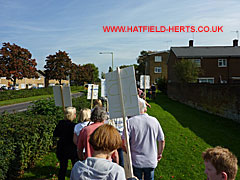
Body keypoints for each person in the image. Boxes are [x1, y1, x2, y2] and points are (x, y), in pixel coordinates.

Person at [122, 98, 165, 180]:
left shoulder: (130, 122)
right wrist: (159, 153)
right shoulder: (154, 121)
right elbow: (161, 140)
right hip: (151, 159)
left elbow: (123, 142)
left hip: (136, 160)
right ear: (145, 109)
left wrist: (128, 153)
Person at [53, 107, 78, 180]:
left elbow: (55, 134)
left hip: (62, 147)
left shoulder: (60, 123)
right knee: (75, 166)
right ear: (73, 115)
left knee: (63, 168)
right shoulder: (74, 126)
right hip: (72, 148)